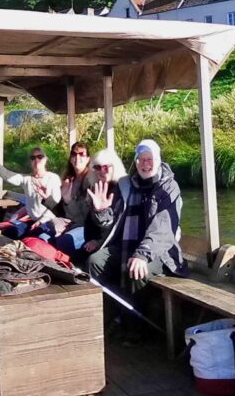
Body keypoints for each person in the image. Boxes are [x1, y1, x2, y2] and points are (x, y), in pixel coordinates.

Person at [86, 139, 188, 345]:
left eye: (149, 159)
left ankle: (137, 328)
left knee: (136, 268)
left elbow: (164, 229)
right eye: (140, 160)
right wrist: (100, 212)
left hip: (162, 253)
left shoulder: (169, 187)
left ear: (157, 160)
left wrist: (142, 253)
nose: (145, 164)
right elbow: (111, 222)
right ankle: (115, 315)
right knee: (95, 260)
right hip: (128, 247)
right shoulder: (127, 185)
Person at [0, 143, 61, 240]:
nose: (36, 160)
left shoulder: (53, 178)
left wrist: (40, 221)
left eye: (40, 157)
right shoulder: (26, 179)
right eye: (33, 158)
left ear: (45, 159)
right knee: (10, 233)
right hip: (33, 220)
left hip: (49, 221)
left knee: (35, 238)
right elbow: (7, 175)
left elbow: (56, 207)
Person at [82, 148, 127, 255]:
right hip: (94, 241)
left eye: (106, 167)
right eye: (97, 167)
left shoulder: (123, 189)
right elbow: (89, 223)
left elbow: (118, 225)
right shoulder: (96, 188)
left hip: (115, 243)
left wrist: (99, 242)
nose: (102, 171)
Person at [54, 142, 92, 258]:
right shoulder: (68, 180)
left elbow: (83, 218)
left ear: (88, 159)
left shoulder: (91, 181)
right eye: (74, 154)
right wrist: (47, 199)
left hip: (87, 227)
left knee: (63, 242)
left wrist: (68, 201)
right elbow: (59, 211)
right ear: (70, 158)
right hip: (69, 225)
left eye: (82, 154)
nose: (77, 158)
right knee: (43, 237)